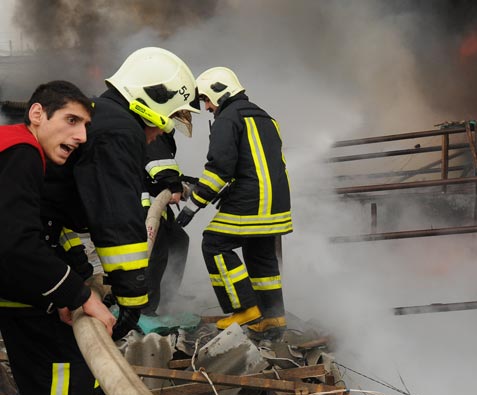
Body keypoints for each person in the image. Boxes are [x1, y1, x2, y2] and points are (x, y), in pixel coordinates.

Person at [41, 46, 199, 342]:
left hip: (30, 248)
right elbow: (113, 217)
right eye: (169, 117)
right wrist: (131, 297)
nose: (162, 132)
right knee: (63, 363)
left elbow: (53, 203)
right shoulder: (120, 130)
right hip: (24, 255)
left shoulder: (103, 115)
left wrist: (78, 263)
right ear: (151, 102)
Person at [0, 80, 116, 395]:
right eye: (71, 120)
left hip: (12, 297)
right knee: (61, 387)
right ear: (37, 114)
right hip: (17, 303)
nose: (80, 135)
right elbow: (15, 242)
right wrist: (79, 295)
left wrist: (60, 295)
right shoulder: (22, 152)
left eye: (85, 126)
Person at [177, 67, 292, 339]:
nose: (206, 107)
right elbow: (254, 164)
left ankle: (244, 309)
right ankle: (273, 318)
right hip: (275, 204)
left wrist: (193, 204)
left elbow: (219, 169)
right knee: (260, 255)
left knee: (214, 243)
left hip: (251, 201)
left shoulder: (227, 119)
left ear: (220, 91)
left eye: (206, 99)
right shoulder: (266, 117)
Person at [142, 131, 190, 315]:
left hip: (156, 201)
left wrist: (195, 184)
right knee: (157, 251)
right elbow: (159, 165)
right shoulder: (154, 129)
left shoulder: (161, 132)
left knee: (179, 241)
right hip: (144, 203)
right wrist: (175, 186)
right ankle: (145, 308)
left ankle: (168, 296)